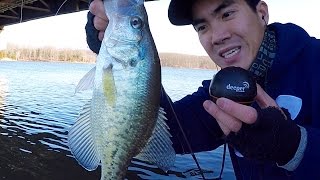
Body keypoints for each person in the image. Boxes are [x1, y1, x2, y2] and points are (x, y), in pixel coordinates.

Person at [85, 0, 320, 179]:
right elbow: (173, 133)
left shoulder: (314, 61)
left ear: (262, 12)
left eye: (226, 14)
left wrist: (294, 146)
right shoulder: (220, 96)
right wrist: (126, 71)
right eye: (202, 27)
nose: (217, 36)